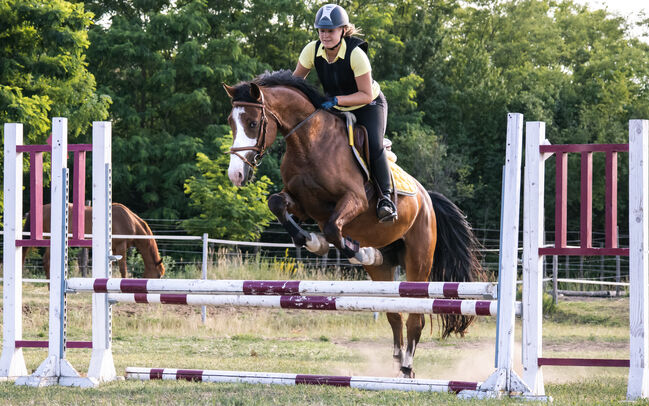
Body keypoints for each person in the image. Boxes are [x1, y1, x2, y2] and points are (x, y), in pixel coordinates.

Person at [293, 4, 397, 223]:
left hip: (368, 105)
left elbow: (366, 95)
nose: (325, 35)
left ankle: (385, 199)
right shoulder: (311, 50)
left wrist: (336, 100)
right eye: (321, 30)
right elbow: (294, 83)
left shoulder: (356, 54)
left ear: (342, 30)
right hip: (336, 107)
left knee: (373, 143)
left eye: (330, 31)